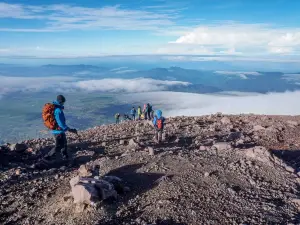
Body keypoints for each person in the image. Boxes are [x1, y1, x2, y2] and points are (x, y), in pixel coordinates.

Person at [44, 95, 77, 161]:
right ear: (61, 102)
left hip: (59, 130)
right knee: (58, 146)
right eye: (63, 102)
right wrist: (69, 129)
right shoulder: (58, 110)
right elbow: (61, 123)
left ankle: (65, 157)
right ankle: (47, 157)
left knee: (64, 144)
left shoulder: (55, 108)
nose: (63, 104)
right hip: (58, 131)